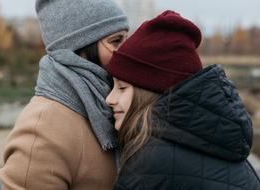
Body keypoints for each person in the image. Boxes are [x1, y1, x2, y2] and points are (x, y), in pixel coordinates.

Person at [105, 10, 260, 190]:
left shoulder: (151, 163)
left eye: (122, 88)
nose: (109, 98)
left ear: (150, 93)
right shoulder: (216, 141)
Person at [0, 0, 129, 189]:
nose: (127, 51)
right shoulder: (42, 130)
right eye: (116, 41)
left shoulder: (109, 103)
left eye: (127, 39)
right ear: (80, 48)